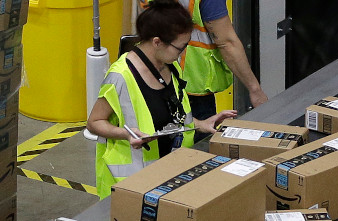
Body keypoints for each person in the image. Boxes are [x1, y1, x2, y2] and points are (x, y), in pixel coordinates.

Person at [86, 0, 237, 199]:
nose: (182, 53)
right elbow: (94, 122)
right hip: (133, 186)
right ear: (157, 42)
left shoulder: (171, 67)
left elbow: (173, 119)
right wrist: (126, 134)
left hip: (170, 178)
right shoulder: (121, 76)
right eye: (179, 47)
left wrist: (201, 124)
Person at [141, 0, 267, 143]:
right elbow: (227, 43)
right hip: (192, 87)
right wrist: (255, 89)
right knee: (196, 154)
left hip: (152, 77)